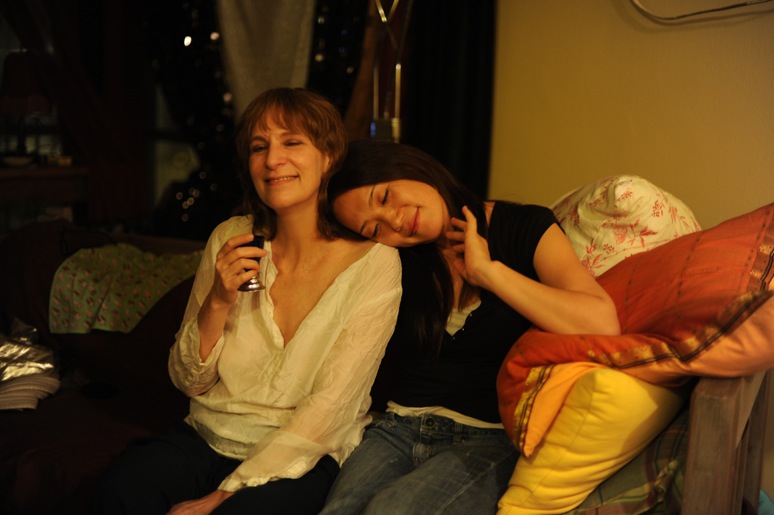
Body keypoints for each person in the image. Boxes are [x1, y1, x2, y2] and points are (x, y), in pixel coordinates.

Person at [93, 89, 402, 515]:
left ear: (329, 156)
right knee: (122, 491)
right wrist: (218, 300)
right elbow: (188, 381)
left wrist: (225, 494)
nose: (273, 159)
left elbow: (332, 406)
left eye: (291, 142)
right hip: (209, 434)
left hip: (306, 452)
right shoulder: (230, 237)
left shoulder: (374, 260)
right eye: (259, 147)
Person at [320, 140, 620, 515]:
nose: (394, 221)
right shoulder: (393, 260)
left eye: (385, 197)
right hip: (397, 428)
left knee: (390, 510)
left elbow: (601, 322)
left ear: (408, 166)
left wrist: (489, 274)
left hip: (488, 437)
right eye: (374, 228)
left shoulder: (523, 226)